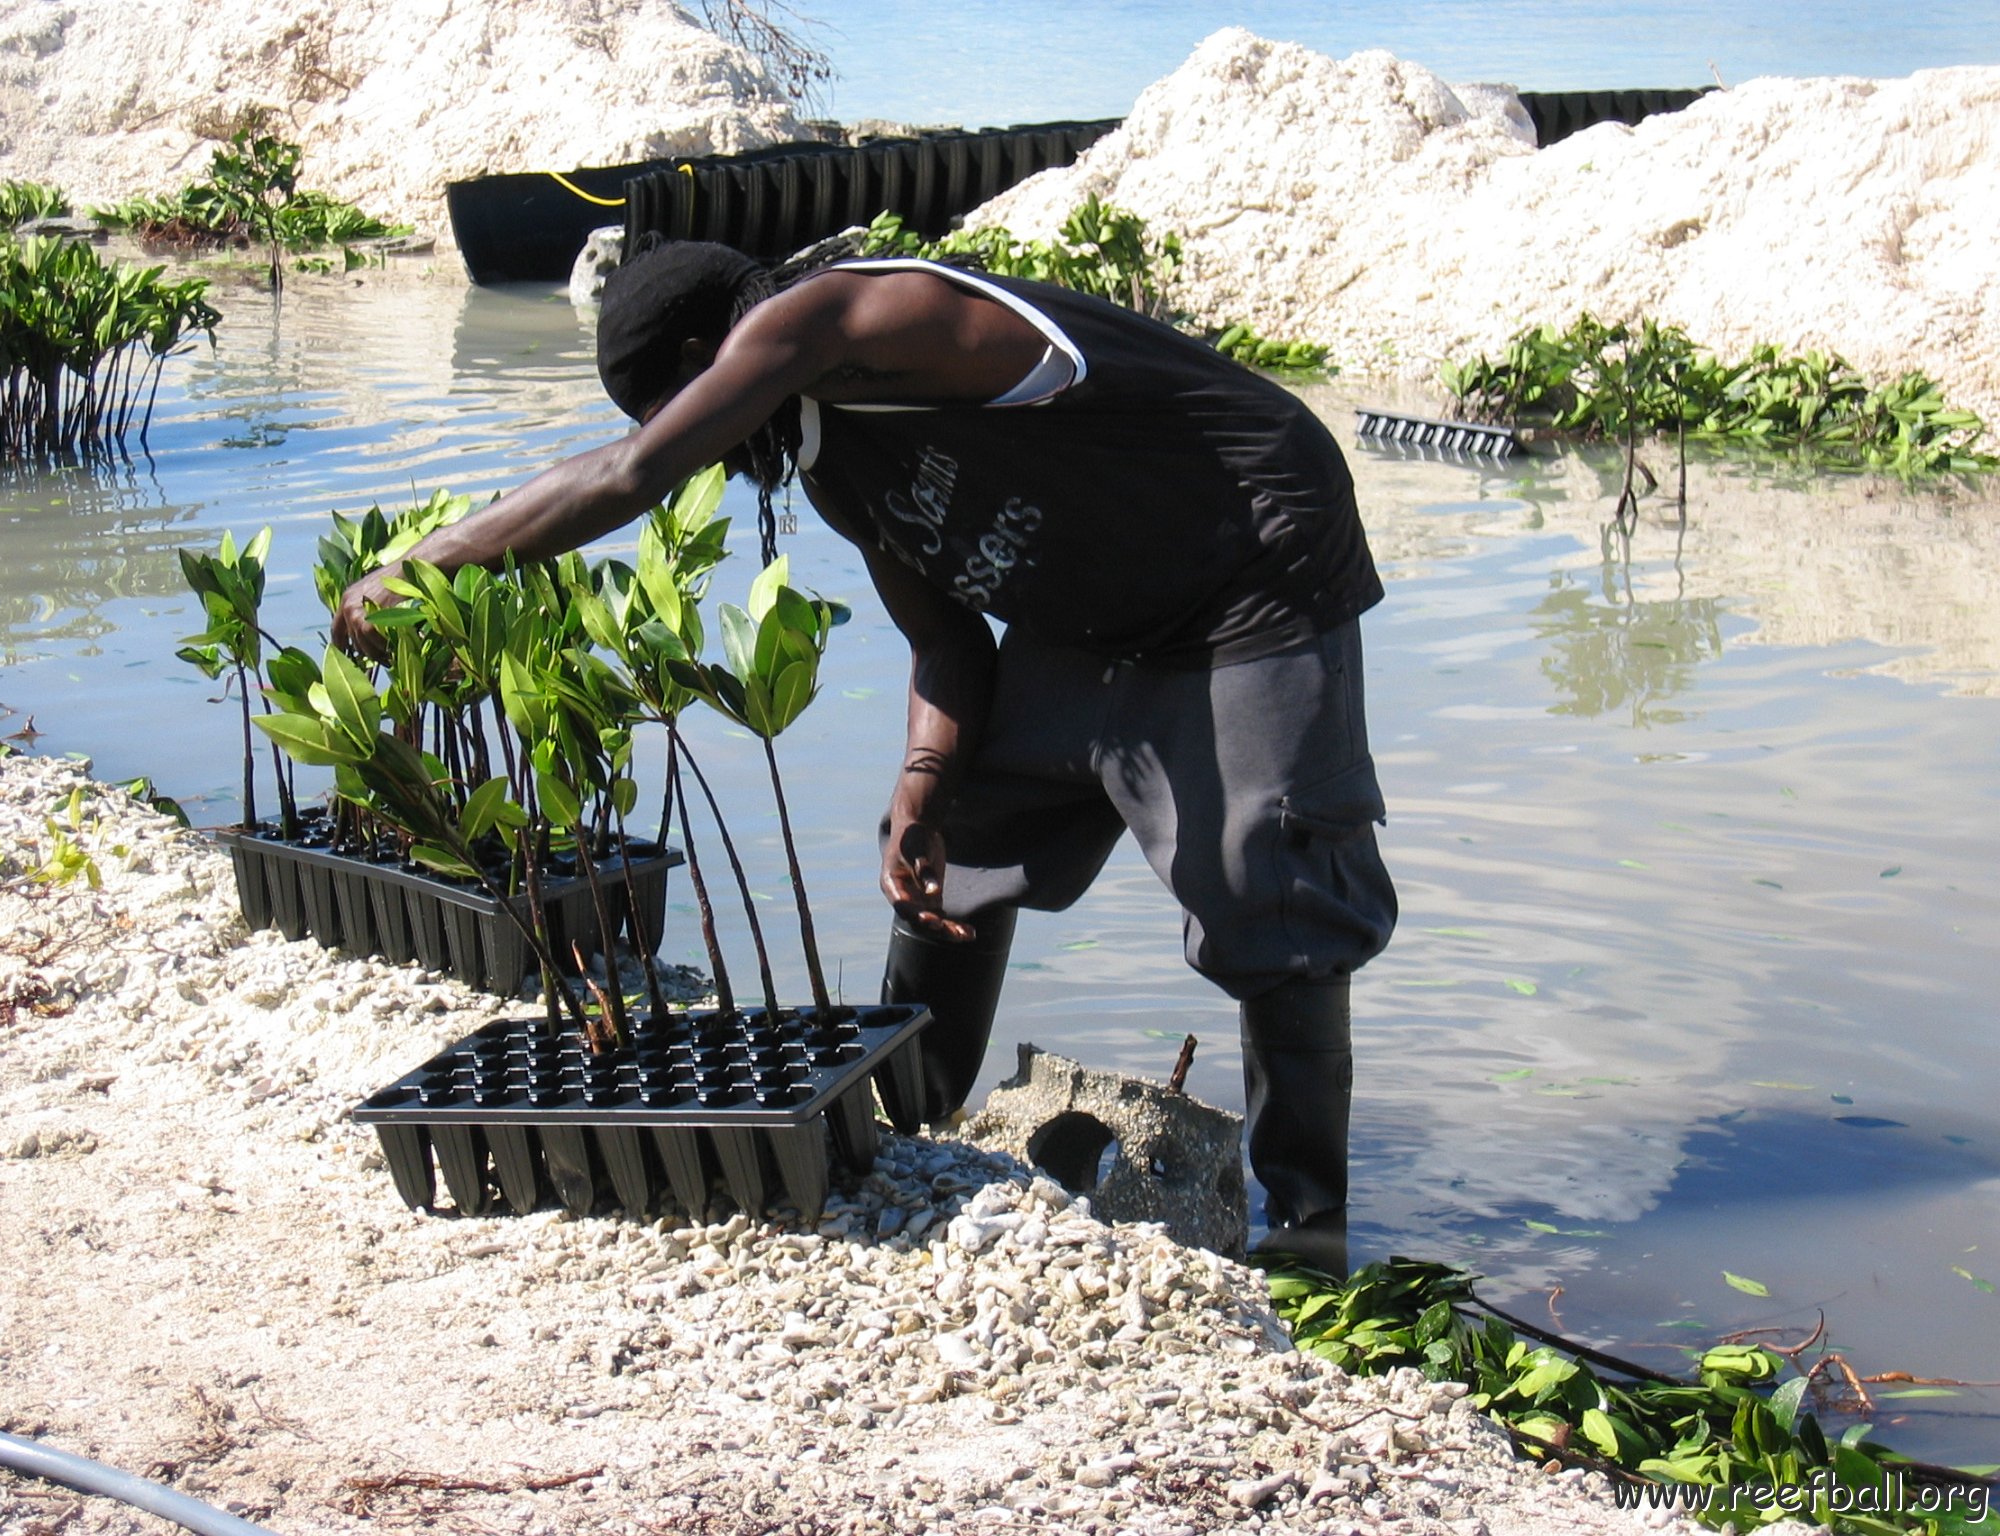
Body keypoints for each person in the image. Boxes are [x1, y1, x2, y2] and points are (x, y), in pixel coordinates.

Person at [333, 235, 1397, 1267]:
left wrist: (422, 567)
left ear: (718, 361)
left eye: (685, 406)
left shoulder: (847, 312)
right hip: (1096, 604)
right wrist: (920, 788)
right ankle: (912, 1131)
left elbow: (630, 474)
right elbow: (945, 642)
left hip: (1247, 557)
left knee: (1273, 891)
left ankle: (1308, 1238)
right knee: (955, 847)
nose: (707, 441)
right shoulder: (840, 464)